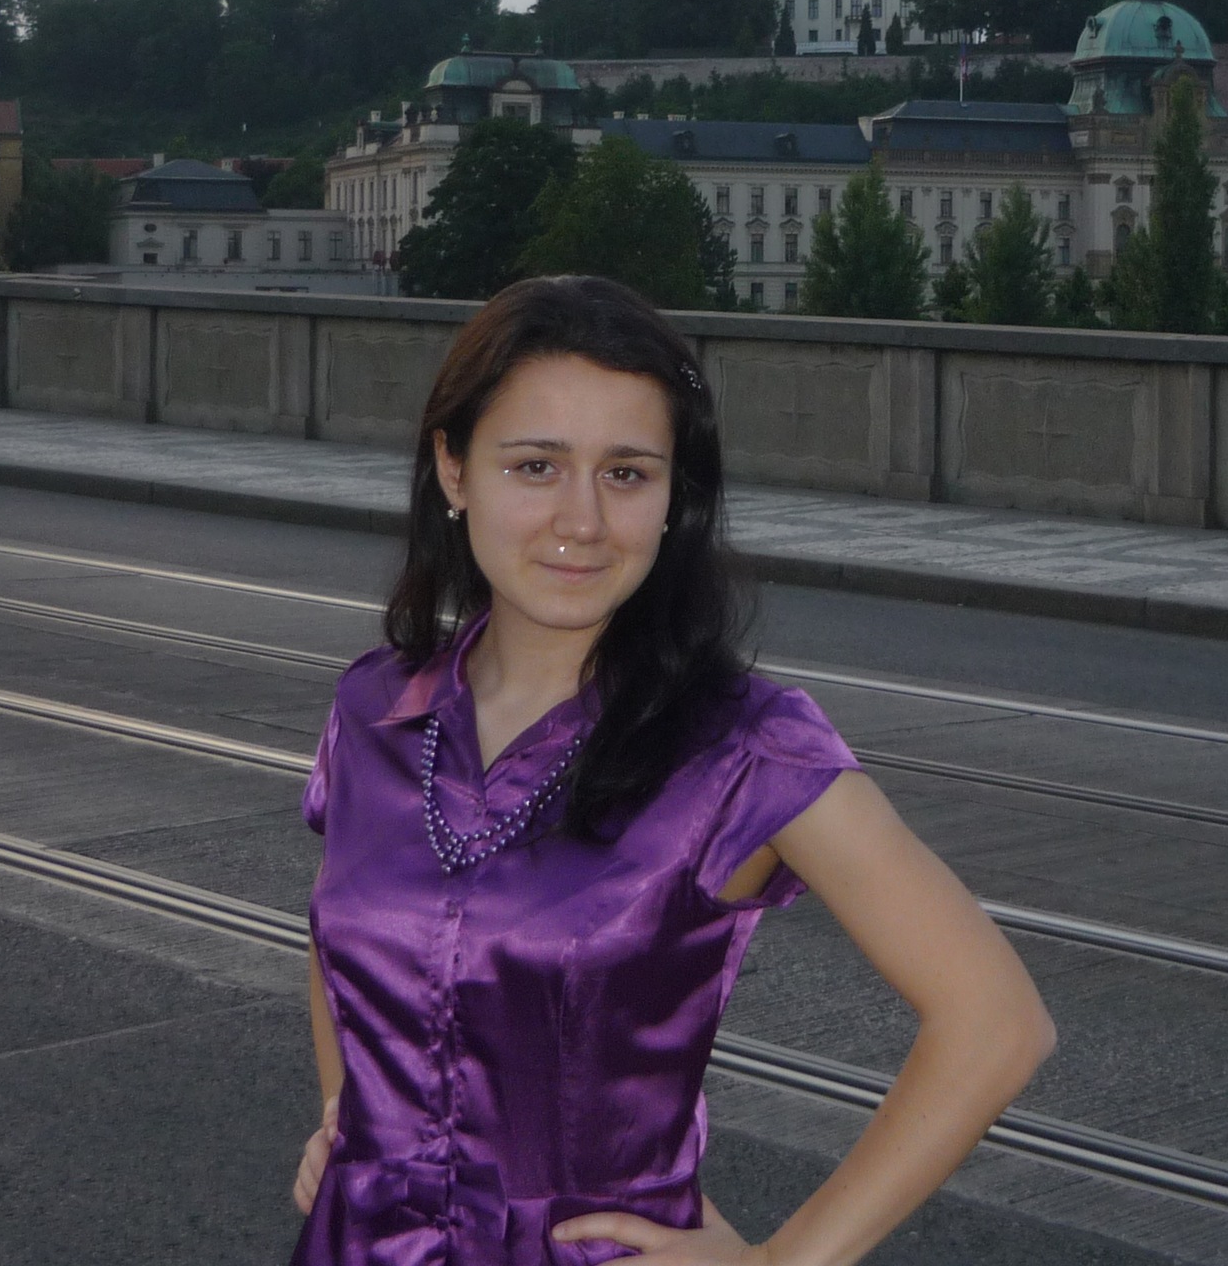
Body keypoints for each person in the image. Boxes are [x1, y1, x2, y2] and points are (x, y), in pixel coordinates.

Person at [290, 275, 1053, 1265]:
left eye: (626, 473)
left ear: (670, 500)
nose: (582, 520)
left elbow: (996, 1022)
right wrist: (348, 1108)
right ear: (454, 468)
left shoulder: (743, 749)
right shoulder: (375, 708)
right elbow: (339, 935)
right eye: (535, 466)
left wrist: (779, 1265)